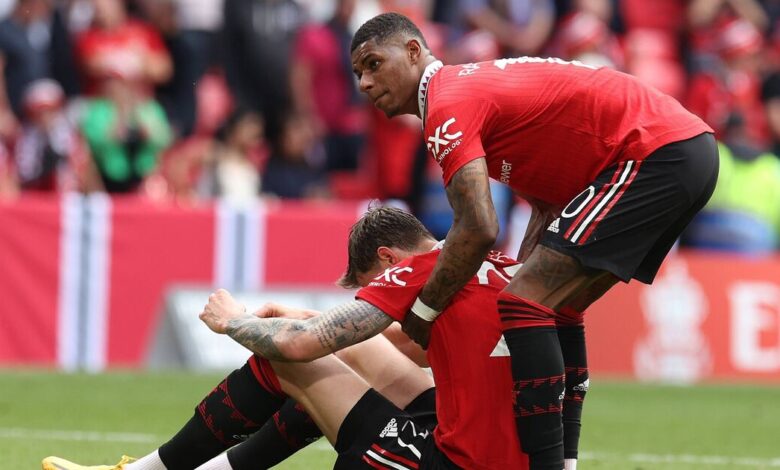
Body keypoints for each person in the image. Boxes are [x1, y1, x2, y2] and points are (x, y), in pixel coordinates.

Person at [349, 12, 719, 470]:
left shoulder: (446, 102)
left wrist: (425, 309)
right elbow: (546, 205)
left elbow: (478, 227)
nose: (365, 83)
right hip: (678, 148)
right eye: (358, 73)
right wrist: (515, 273)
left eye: (373, 64)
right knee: (554, 307)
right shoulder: (470, 91)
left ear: (412, 52)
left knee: (524, 303)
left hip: (653, 151)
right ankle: (564, 463)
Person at [42, 207, 525, 470]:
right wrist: (305, 316)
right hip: (496, 443)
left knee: (288, 361)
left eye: (372, 288)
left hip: (455, 461)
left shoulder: (416, 272)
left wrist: (233, 322)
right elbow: (402, 345)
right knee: (333, 368)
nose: (377, 301)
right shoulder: (488, 265)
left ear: (388, 259)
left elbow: (299, 347)